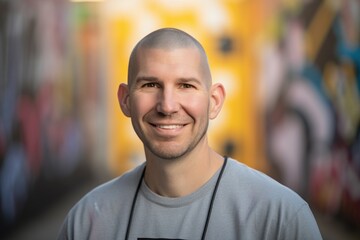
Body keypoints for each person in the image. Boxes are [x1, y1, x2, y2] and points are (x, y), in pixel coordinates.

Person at [58, 28, 322, 240]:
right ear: (125, 100)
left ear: (214, 101)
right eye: (150, 84)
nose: (168, 106)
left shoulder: (280, 218)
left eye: (185, 85)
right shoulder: (87, 222)